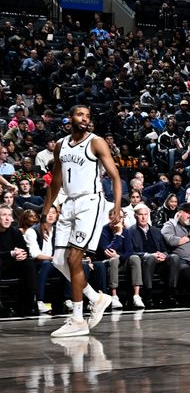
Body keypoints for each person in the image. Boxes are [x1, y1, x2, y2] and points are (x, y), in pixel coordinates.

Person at [41, 104, 120, 337]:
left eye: (88, 115)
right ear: (70, 118)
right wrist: (46, 213)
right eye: (79, 114)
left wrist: (116, 205)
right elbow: (55, 182)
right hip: (68, 203)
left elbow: (115, 176)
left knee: (75, 258)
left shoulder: (96, 142)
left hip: (90, 202)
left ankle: (77, 319)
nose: (84, 118)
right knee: (58, 260)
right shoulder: (60, 145)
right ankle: (96, 298)